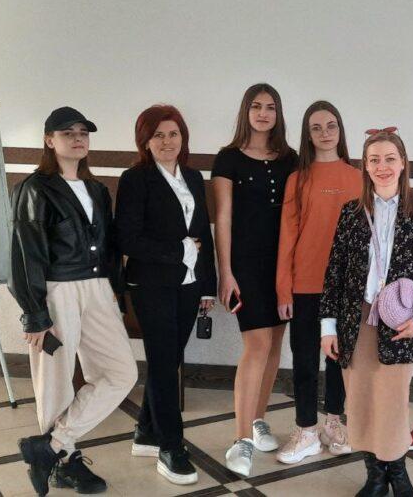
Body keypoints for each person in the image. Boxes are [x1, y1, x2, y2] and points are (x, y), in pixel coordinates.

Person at [9, 106, 137, 496]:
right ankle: (63, 462)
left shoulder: (97, 189)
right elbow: (24, 254)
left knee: (121, 373)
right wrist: (35, 315)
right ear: (50, 140)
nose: (78, 138)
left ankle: (50, 446)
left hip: (97, 289)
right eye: (68, 133)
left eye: (83, 132)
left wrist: (114, 292)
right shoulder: (34, 189)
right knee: (55, 382)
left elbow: (109, 247)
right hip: (57, 290)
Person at [321, 129, 413, 497]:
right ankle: (375, 474)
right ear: (365, 166)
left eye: (390, 158)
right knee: (360, 399)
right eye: (374, 159)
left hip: (400, 320)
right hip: (356, 319)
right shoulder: (351, 212)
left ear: (403, 163)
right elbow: (334, 272)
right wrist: (328, 327)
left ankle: (398, 472)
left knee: (392, 402)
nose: (382, 166)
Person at [115, 104, 217, 485]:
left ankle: (146, 432)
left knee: (168, 359)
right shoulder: (135, 179)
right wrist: (179, 250)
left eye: (173, 134)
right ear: (145, 141)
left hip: (189, 285)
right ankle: (171, 447)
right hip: (151, 285)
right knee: (162, 363)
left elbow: (203, 234)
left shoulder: (193, 176)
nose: (166, 141)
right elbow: (128, 239)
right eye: (157, 135)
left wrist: (207, 284)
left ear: (182, 138)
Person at [212, 83, 298, 476]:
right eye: (256, 106)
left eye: (271, 107)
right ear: (246, 111)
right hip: (245, 264)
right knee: (257, 345)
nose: (263, 113)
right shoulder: (228, 158)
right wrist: (226, 271)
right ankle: (241, 439)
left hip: (282, 263)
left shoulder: (290, 158)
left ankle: (259, 418)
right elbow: (223, 219)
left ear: (278, 114)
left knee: (275, 342)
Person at [274, 101, 360, 464]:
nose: (325, 133)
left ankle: (333, 423)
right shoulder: (298, 179)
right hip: (306, 284)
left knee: (340, 359)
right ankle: (306, 429)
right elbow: (287, 237)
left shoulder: (358, 177)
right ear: (307, 136)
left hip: (345, 287)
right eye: (316, 127)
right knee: (305, 359)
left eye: (331, 125)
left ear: (340, 130)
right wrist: (284, 288)